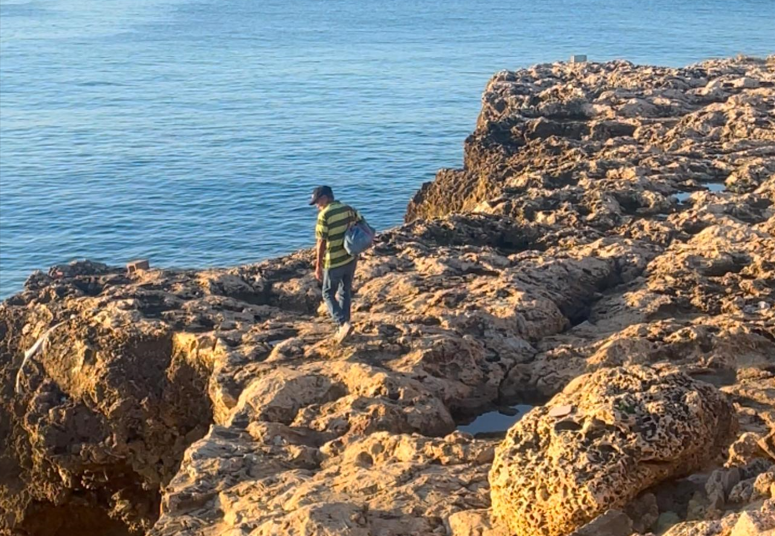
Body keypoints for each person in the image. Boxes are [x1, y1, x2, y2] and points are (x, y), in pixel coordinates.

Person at [309, 185, 361, 343]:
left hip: (334, 261)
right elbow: (360, 224)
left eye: (317, 202)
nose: (317, 206)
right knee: (345, 290)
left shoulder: (324, 215)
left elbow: (321, 242)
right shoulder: (348, 209)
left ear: (325, 198)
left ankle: (342, 323)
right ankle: (345, 325)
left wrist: (318, 266)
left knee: (327, 293)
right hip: (350, 258)